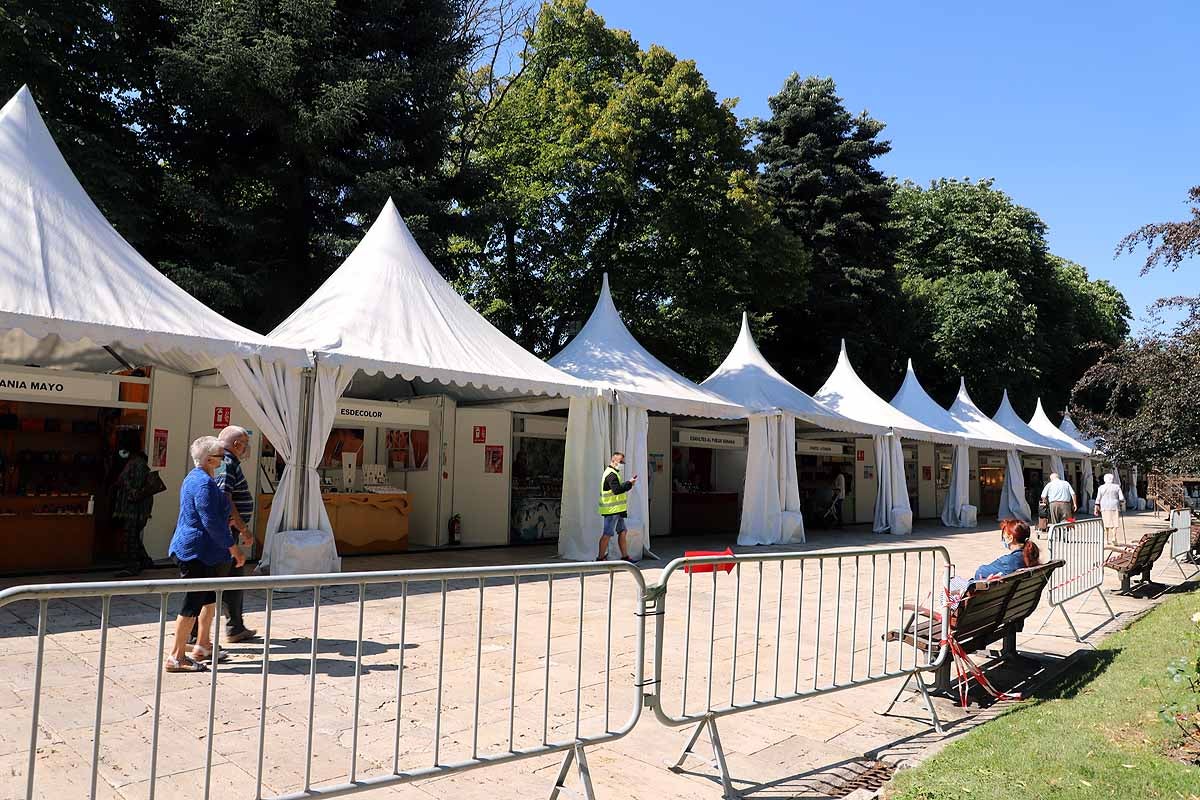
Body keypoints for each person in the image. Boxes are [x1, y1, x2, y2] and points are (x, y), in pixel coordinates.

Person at [165, 436, 244, 673]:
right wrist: (233, 547)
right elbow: (211, 522)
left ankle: (203, 644)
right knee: (192, 604)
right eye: (221, 456)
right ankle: (176, 657)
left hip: (207, 552)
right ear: (209, 460)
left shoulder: (198, 479)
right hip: (196, 552)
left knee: (209, 600)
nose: (224, 460)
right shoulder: (203, 484)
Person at [213, 426, 257, 643]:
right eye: (245, 444)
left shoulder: (226, 462)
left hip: (229, 531)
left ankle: (236, 627)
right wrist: (243, 528)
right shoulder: (227, 463)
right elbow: (225, 499)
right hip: (225, 532)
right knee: (215, 581)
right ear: (237, 445)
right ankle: (194, 635)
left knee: (233, 577)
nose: (247, 450)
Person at [948, 519, 1041, 596]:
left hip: (994, 605)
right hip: (1016, 604)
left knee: (951, 584)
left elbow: (979, 572)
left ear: (1010, 538)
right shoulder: (1030, 557)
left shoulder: (1007, 562)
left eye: (1004, 536)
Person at [113, 449, 155, 577]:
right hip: (137, 508)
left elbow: (132, 488)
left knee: (130, 535)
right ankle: (144, 560)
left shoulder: (136, 465)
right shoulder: (139, 464)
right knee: (133, 535)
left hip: (134, 509)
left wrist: (125, 487)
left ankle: (133, 565)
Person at [597, 451, 637, 561]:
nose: (622, 463)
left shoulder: (613, 473)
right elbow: (616, 490)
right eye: (620, 461)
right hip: (611, 510)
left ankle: (625, 556)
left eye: (623, 461)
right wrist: (629, 483)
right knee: (607, 534)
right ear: (613, 461)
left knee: (622, 531)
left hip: (617, 510)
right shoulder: (611, 474)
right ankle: (600, 558)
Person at [1093, 473, 1126, 545]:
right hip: (1114, 505)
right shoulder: (1117, 487)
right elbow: (1121, 498)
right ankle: (1114, 537)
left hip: (1104, 506)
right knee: (1115, 522)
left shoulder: (1101, 488)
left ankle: (1107, 539)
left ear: (1105, 479)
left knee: (1106, 522)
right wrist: (1121, 502)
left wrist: (1096, 508)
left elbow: (1098, 499)